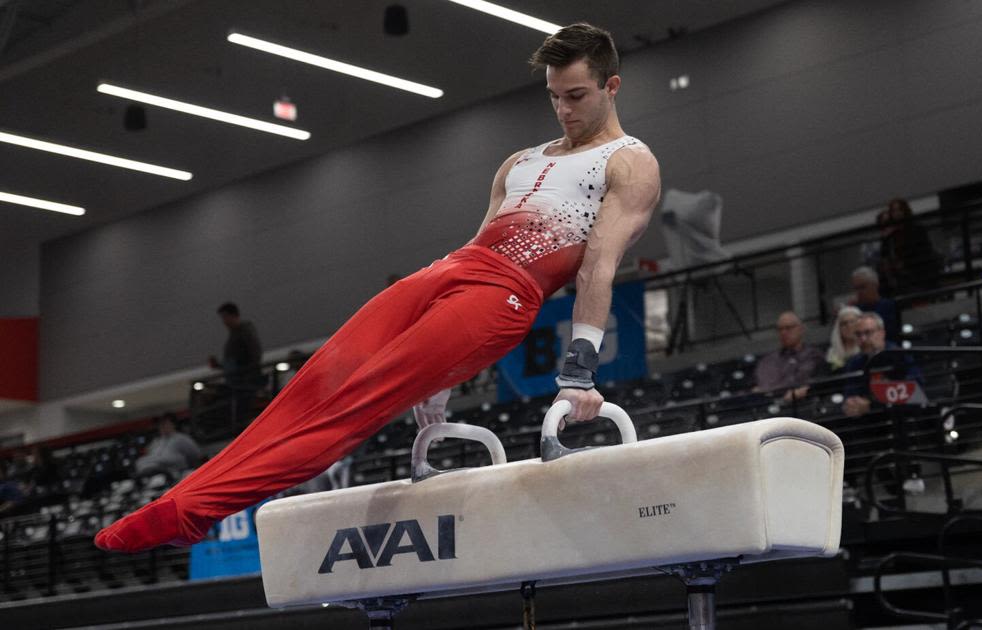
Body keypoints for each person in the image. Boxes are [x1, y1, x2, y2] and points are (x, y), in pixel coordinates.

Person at [94, 22, 661, 553]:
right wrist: (442, 378)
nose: (563, 109)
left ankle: (195, 513)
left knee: (352, 404)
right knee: (313, 385)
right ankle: (177, 498)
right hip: (450, 271)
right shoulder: (520, 160)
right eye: (554, 96)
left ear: (611, 86)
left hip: (505, 296)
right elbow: (481, 241)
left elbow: (596, 268)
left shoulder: (628, 162)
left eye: (577, 96)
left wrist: (579, 372)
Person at [842, 312, 921, 417]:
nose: (863, 339)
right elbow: (850, 394)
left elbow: (915, 389)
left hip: (902, 416)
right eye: (858, 334)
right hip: (869, 422)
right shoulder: (854, 363)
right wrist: (852, 404)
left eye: (868, 333)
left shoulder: (900, 355)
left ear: (882, 333)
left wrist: (872, 404)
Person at [754, 311, 825, 400]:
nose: (783, 332)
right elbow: (765, 387)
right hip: (774, 404)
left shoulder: (814, 355)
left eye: (788, 328)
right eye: (780, 329)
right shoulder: (767, 361)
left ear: (801, 329)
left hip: (804, 403)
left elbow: (804, 380)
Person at [134, 415, 204, 479]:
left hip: (174, 469)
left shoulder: (181, 438)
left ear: (172, 425)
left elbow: (195, 454)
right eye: (161, 425)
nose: (163, 427)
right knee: (140, 462)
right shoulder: (156, 441)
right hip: (153, 469)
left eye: (165, 424)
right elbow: (149, 454)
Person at [848, 266, 900, 341]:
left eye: (862, 287)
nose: (859, 292)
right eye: (856, 289)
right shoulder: (855, 310)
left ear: (875, 285)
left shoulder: (889, 306)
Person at [826, 306, 862, 373]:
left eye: (852, 322)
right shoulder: (832, 353)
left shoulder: (867, 347)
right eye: (844, 323)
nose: (848, 326)